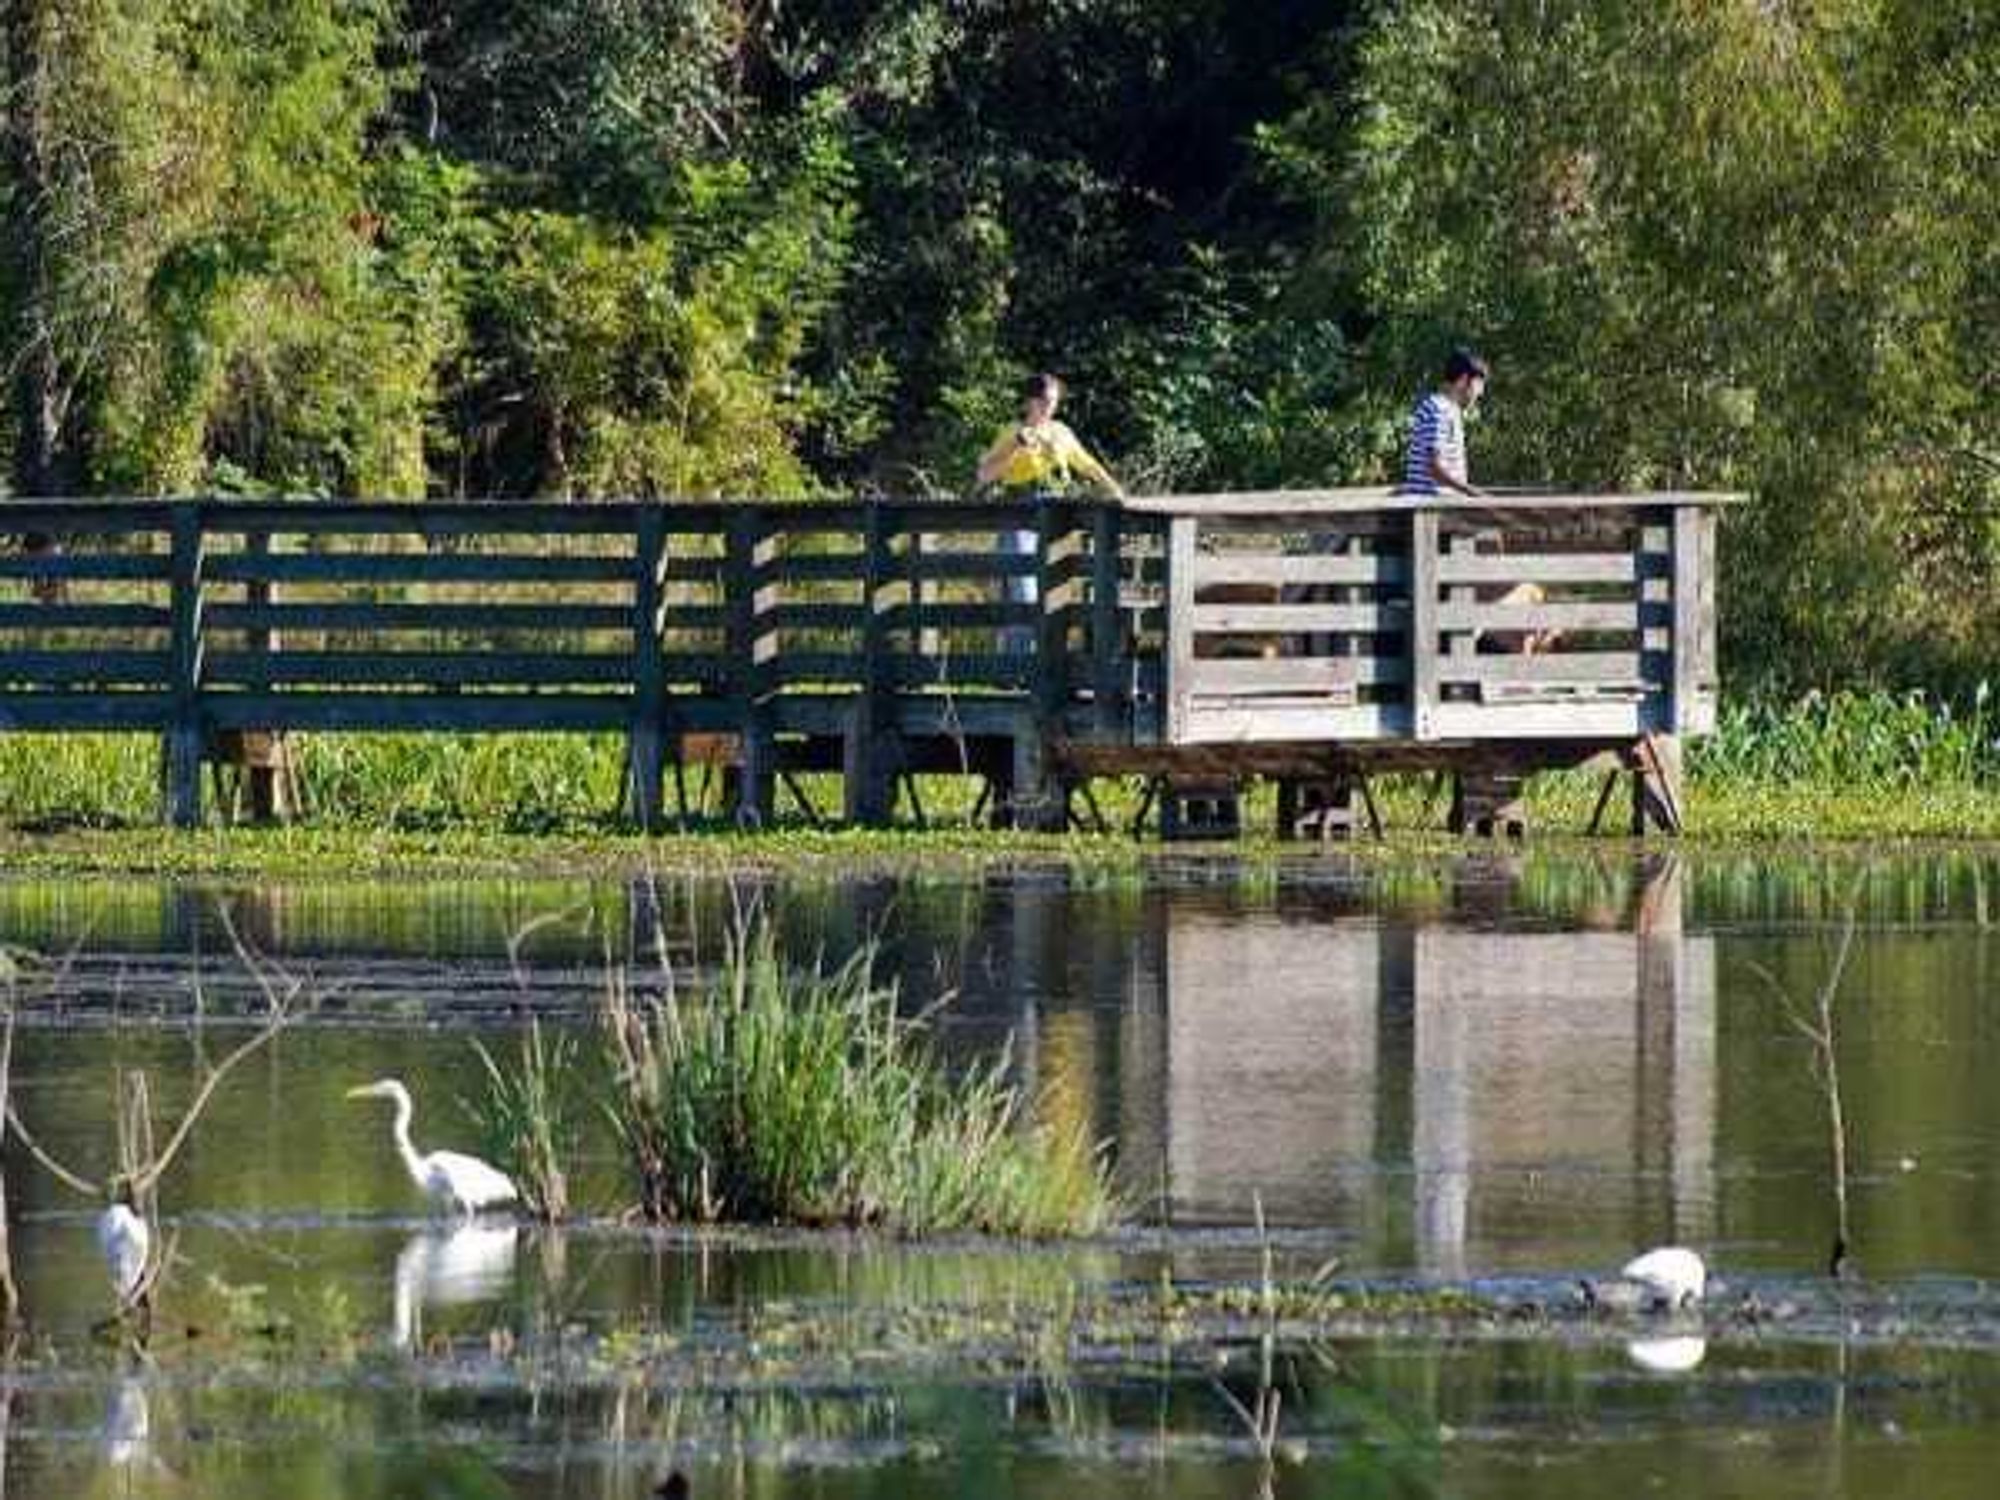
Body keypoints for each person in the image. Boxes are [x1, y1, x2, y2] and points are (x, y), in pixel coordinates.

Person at [975, 373, 1123, 652]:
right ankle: (1018, 668)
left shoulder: (1061, 432)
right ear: (1029, 401)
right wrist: (1015, 446)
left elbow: (1087, 464)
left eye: (1054, 402)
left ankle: (1044, 668)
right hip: (1021, 514)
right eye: (1044, 401)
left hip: (1059, 515)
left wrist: (1116, 491)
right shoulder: (1012, 431)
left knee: (1055, 594)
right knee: (1023, 592)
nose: (1049, 407)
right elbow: (984, 474)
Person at [1400, 347, 1489, 498]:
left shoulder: (1450, 410)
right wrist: (1471, 492)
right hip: (1430, 510)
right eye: (1479, 384)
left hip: (1441, 508)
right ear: (1463, 379)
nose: (1481, 392)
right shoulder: (1439, 409)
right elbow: (1435, 469)